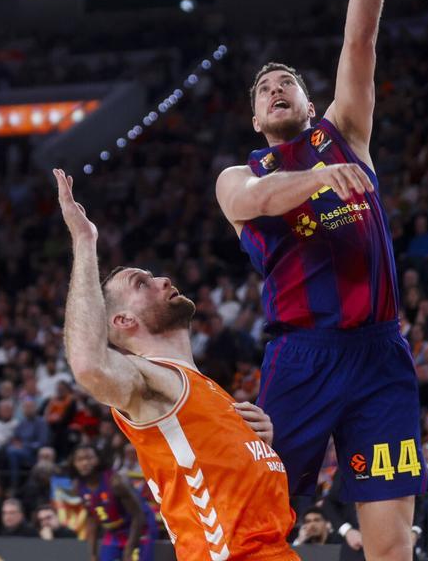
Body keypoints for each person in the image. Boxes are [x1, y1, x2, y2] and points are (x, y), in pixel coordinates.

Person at [213, 0, 426, 561]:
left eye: (289, 83)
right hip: (300, 359)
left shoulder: (347, 133)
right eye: (265, 88)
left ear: (310, 103)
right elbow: (259, 199)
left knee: (391, 546)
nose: (277, 87)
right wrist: (319, 180)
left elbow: (359, 36)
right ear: (254, 118)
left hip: (381, 354)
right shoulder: (240, 175)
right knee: (264, 525)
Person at [54, 171, 297, 561]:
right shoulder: (150, 380)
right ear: (122, 322)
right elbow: (88, 365)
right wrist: (85, 242)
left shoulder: (199, 386)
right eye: (141, 283)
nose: (163, 280)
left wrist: (255, 446)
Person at [72, 444, 155, 561]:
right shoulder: (78, 486)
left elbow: (138, 516)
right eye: (79, 459)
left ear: (98, 459)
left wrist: (128, 550)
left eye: (89, 458)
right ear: (74, 464)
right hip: (114, 532)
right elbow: (92, 518)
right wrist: (93, 554)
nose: (84, 463)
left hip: (140, 528)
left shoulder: (115, 482)